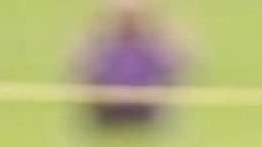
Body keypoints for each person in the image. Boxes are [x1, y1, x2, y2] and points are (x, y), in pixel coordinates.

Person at [72, 0, 191, 130]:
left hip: (145, 110)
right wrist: (91, 27)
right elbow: (77, 65)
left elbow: (185, 61)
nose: (128, 21)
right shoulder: (104, 43)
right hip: (109, 110)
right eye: (123, 16)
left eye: (133, 16)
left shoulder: (152, 44)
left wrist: (165, 23)